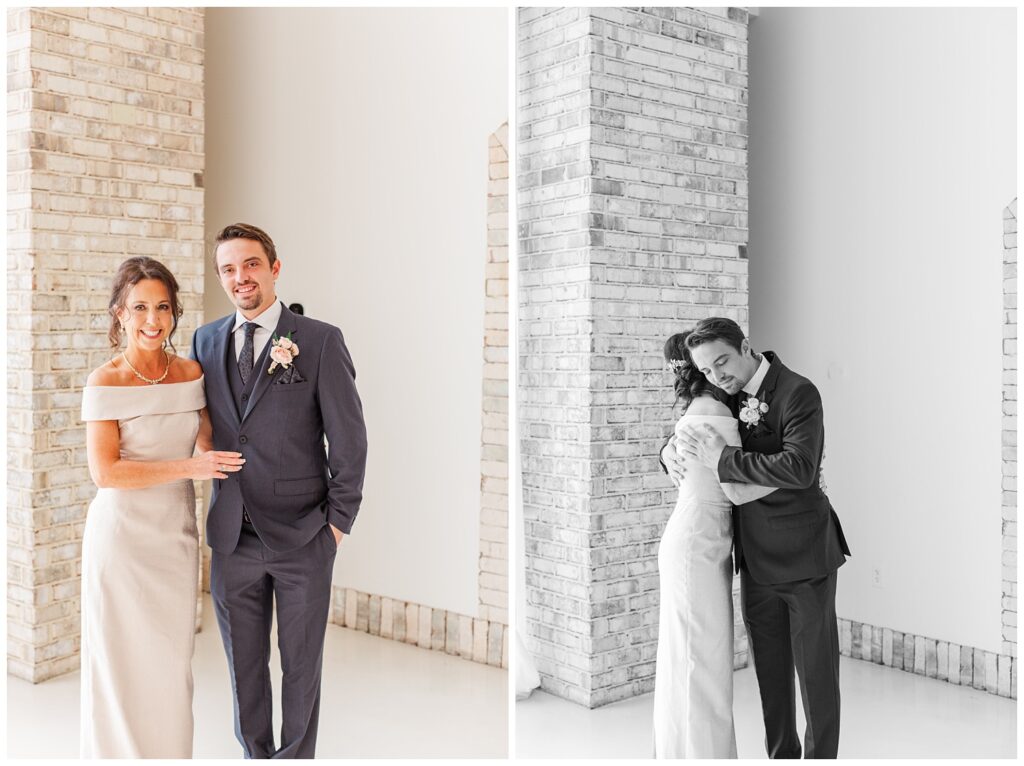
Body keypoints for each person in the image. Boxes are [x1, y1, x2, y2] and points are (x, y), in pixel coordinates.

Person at [192, 222, 368, 758]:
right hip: (232, 537)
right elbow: (208, 422)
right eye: (228, 268)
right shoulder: (205, 339)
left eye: (250, 265)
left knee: (300, 668)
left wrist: (336, 524)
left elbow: (350, 438)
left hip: (304, 537)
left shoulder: (317, 340)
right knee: (244, 669)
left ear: (274, 268)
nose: (239, 277)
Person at [80, 257, 245, 758]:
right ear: (119, 314)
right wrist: (189, 469)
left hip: (175, 540)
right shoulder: (104, 381)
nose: (153, 320)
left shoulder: (191, 373)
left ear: (174, 313)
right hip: (122, 543)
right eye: (140, 308)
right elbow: (106, 473)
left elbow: (214, 439)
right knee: (119, 667)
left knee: (171, 669)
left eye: (163, 307)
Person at [667, 316, 850, 759]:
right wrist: (667, 451)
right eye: (707, 371)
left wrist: (725, 459)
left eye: (722, 362)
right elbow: (697, 434)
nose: (717, 376)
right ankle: (781, 756)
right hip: (755, 560)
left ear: (747, 347)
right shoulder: (726, 398)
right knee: (770, 676)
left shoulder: (798, 391)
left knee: (816, 676)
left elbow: (800, 468)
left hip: (806, 557)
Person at [653, 331, 776, 758]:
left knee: (695, 659)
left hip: (700, 539)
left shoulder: (703, 410)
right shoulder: (712, 411)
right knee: (701, 665)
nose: (719, 372)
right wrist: (801, 481)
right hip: (698, 545)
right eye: (708, 367)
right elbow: (738, 491)